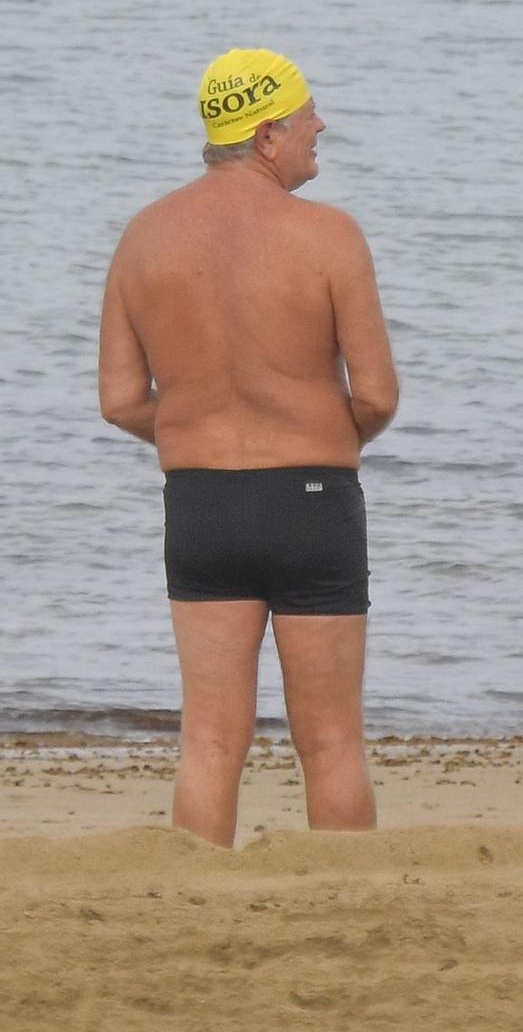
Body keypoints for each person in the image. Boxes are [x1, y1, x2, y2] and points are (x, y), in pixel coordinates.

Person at [97, 48, 397, 847]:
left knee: (209, 741)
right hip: (311, 503)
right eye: (307, 118)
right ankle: (341, 908)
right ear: (268, 135)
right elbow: (376, 395)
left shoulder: (144, 236)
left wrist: (196, 430)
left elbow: (121, 400)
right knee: (330, 742)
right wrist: (322, 437)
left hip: (200, 505)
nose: (320, 127)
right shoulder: (330, 236)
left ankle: (198, 906)